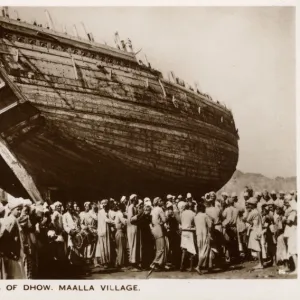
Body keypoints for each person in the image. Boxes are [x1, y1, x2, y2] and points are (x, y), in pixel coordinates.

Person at [0, 198, 26, 279]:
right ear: (12, 210)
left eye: (20, 210)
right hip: (14, 255)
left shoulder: (15, 220)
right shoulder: (11, 220)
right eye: (18, 210)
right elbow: (4, 238)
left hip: (17, 253)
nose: (19, 212)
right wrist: (10, 253)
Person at [245, 198, 266, 269]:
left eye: (250, 204)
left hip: (255, 230)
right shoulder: (257, 211)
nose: (248, 205)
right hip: (257, 229)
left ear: (253, 205)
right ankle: (261, 263)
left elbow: (247, 219)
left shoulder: (253, 212)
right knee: (258, 247)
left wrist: (247, 215)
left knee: (257, 248)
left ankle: (260, 264)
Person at [194, 201, 212, 275]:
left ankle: (200, 266)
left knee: (200, 250)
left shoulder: (196, 216)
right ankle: (198, 266)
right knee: (204, 251)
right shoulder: (205, 215)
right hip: (204, 234)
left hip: (198, 234)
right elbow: (210, 225)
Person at [96, 199, 114, 268]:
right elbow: (106, 220)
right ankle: (104, 262)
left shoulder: (105, 211)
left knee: (107, 245)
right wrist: (114, 222)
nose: (104, 205)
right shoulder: (101, 212)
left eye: (105, 204)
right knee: (104, 246)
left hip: (106, 230)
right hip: (102, 230)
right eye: (103, 204)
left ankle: (107, 261)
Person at [150, 197, 167, 270]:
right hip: (158, 228)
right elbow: (164, 219)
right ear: (157, 202)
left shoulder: (153, 210)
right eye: (160, 200)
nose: (162, 201)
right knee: (161, 247)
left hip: (153, 229)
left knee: (158, 247)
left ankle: (160, 264)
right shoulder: (160, 209)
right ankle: (154, 263)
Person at [127, 194, 142, 271]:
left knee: (136, 245)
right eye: (136, 198)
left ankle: (136, 262)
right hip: (132, 228)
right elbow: (131, 219)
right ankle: (133, 263)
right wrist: (139, 215)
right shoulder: (131, 207)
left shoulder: (134, 207)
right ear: (133, 199)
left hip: (136, 228)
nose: (137, 199)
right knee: (133, 245)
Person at [283, 195, 297, 275]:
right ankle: (294, 267)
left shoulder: (293, 210)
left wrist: (284, 219)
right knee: (291, 250)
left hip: (292, 231)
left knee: (293, 250)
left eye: (286, 200)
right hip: (290, 231)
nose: (285, 201)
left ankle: (297, 268)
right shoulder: (289, 209)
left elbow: (289, 222)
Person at [180, 202, 196, 272]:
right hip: (190, 232)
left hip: (183, 232)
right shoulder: (193, 214)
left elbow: (181, 222)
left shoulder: (182, 213)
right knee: (191, 250)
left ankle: (182, 266)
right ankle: (191, 266)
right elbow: (194, 224)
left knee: (184, 250)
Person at [222, 197, 238, 262]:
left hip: (228, 227)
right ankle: (233, 256)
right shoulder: (236, 210)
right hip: (234, 227)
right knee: (233, 242)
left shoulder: (227, 209)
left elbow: (223, 216)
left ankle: (228, 257)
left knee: (227, 243)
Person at [114, 202, 127, 269]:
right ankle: (121, 264)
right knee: (121, 248)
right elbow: (124, 222)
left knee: (119, 248)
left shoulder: (117, 214)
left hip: (118, 232)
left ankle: (118, 262)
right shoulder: (120, 214)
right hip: (120, 232)